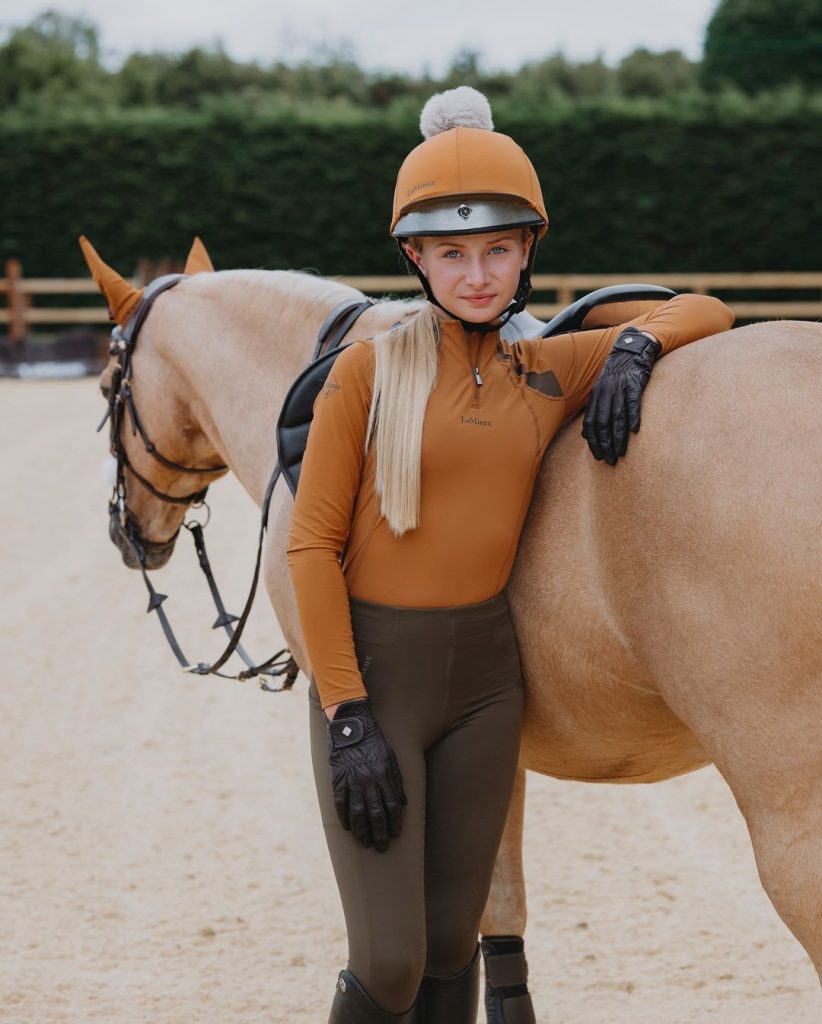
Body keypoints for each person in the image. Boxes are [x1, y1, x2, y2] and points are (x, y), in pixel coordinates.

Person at [286, 86, 735, 1024]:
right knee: (393, 959)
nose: (478, 274)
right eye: (452, 253)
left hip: (489, 686)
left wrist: (637, 349)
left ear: (529, 251)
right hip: (379, 683)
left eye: (497, 249)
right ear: (415, 258)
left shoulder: (545, 371)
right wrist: (347, 715)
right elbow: (311, 545)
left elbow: (708, 307)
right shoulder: (365, 376)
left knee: (456, 943)